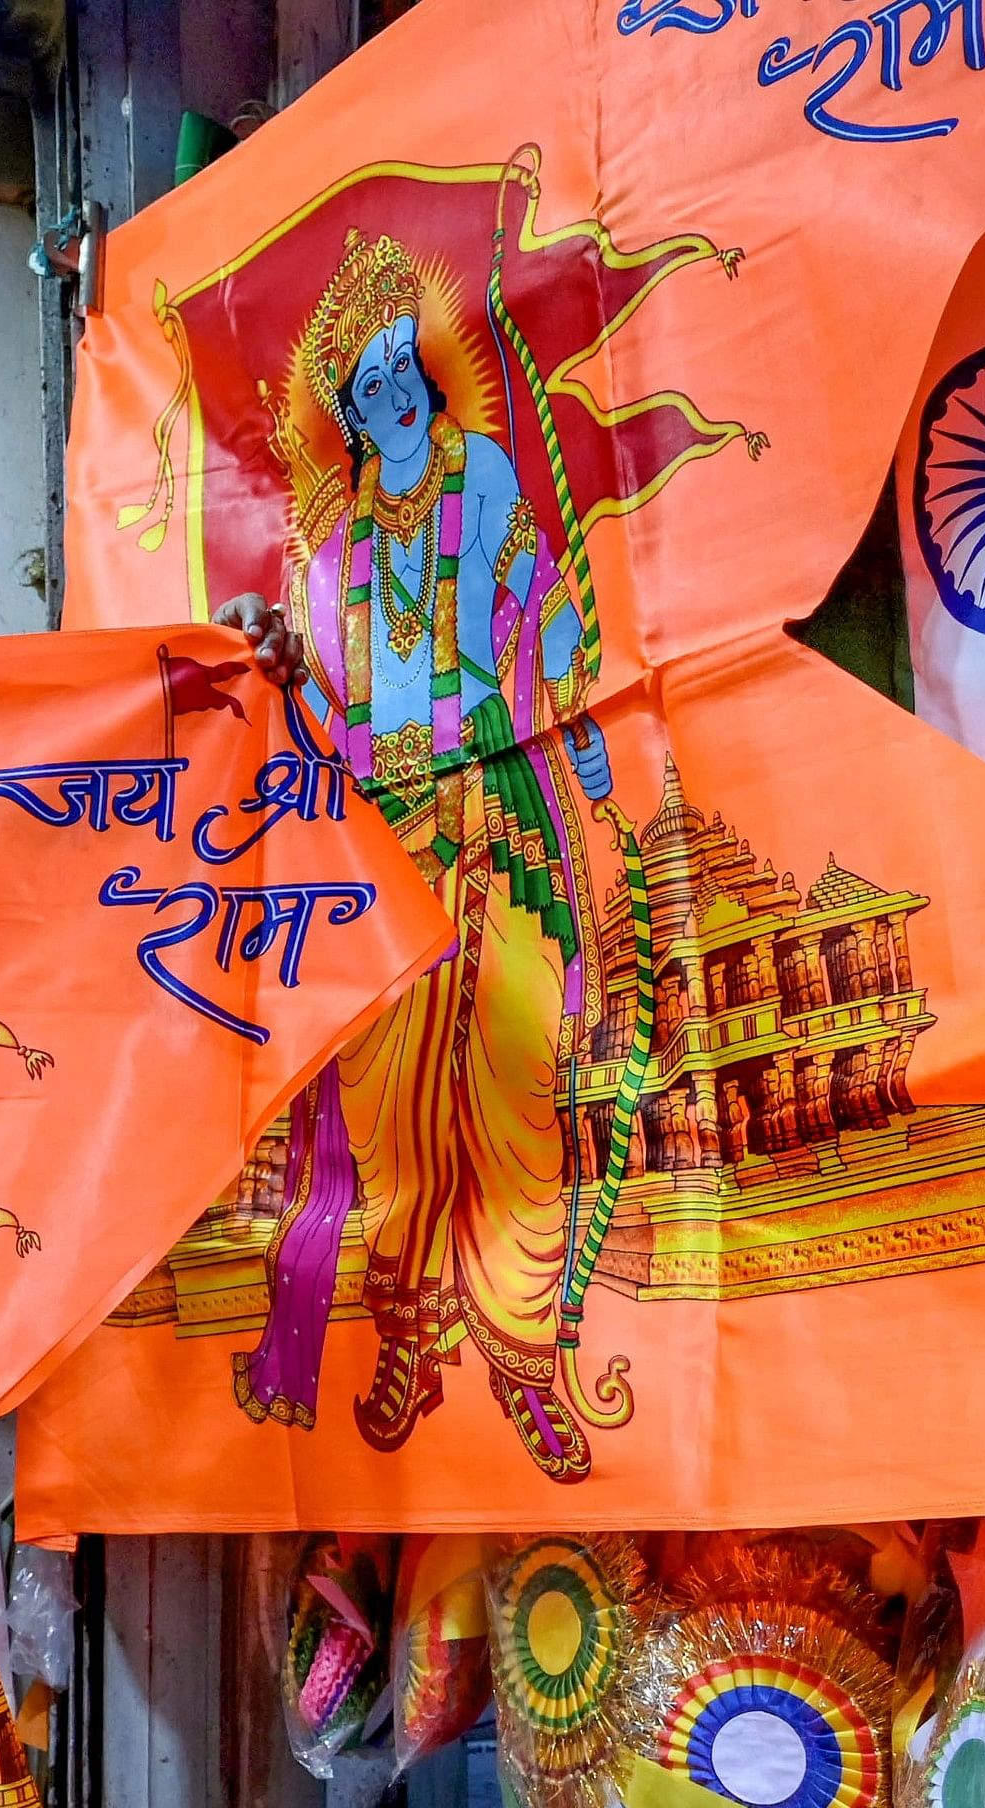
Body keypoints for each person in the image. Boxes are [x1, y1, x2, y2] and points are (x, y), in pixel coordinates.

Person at [212, 226, 616, 1482]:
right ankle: (406, 1337)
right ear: (341, 407)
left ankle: (526, 1356)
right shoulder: (327, 557)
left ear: (427, 374)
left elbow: (539, 601)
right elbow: (321, 715)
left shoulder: (483, 476)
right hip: (382, 847)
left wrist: (585, 738)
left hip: (491, 810)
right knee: (384, 1124)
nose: (386, 391)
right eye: (362, 379)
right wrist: (273, 671)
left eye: (399, 364)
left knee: (512, 1099)